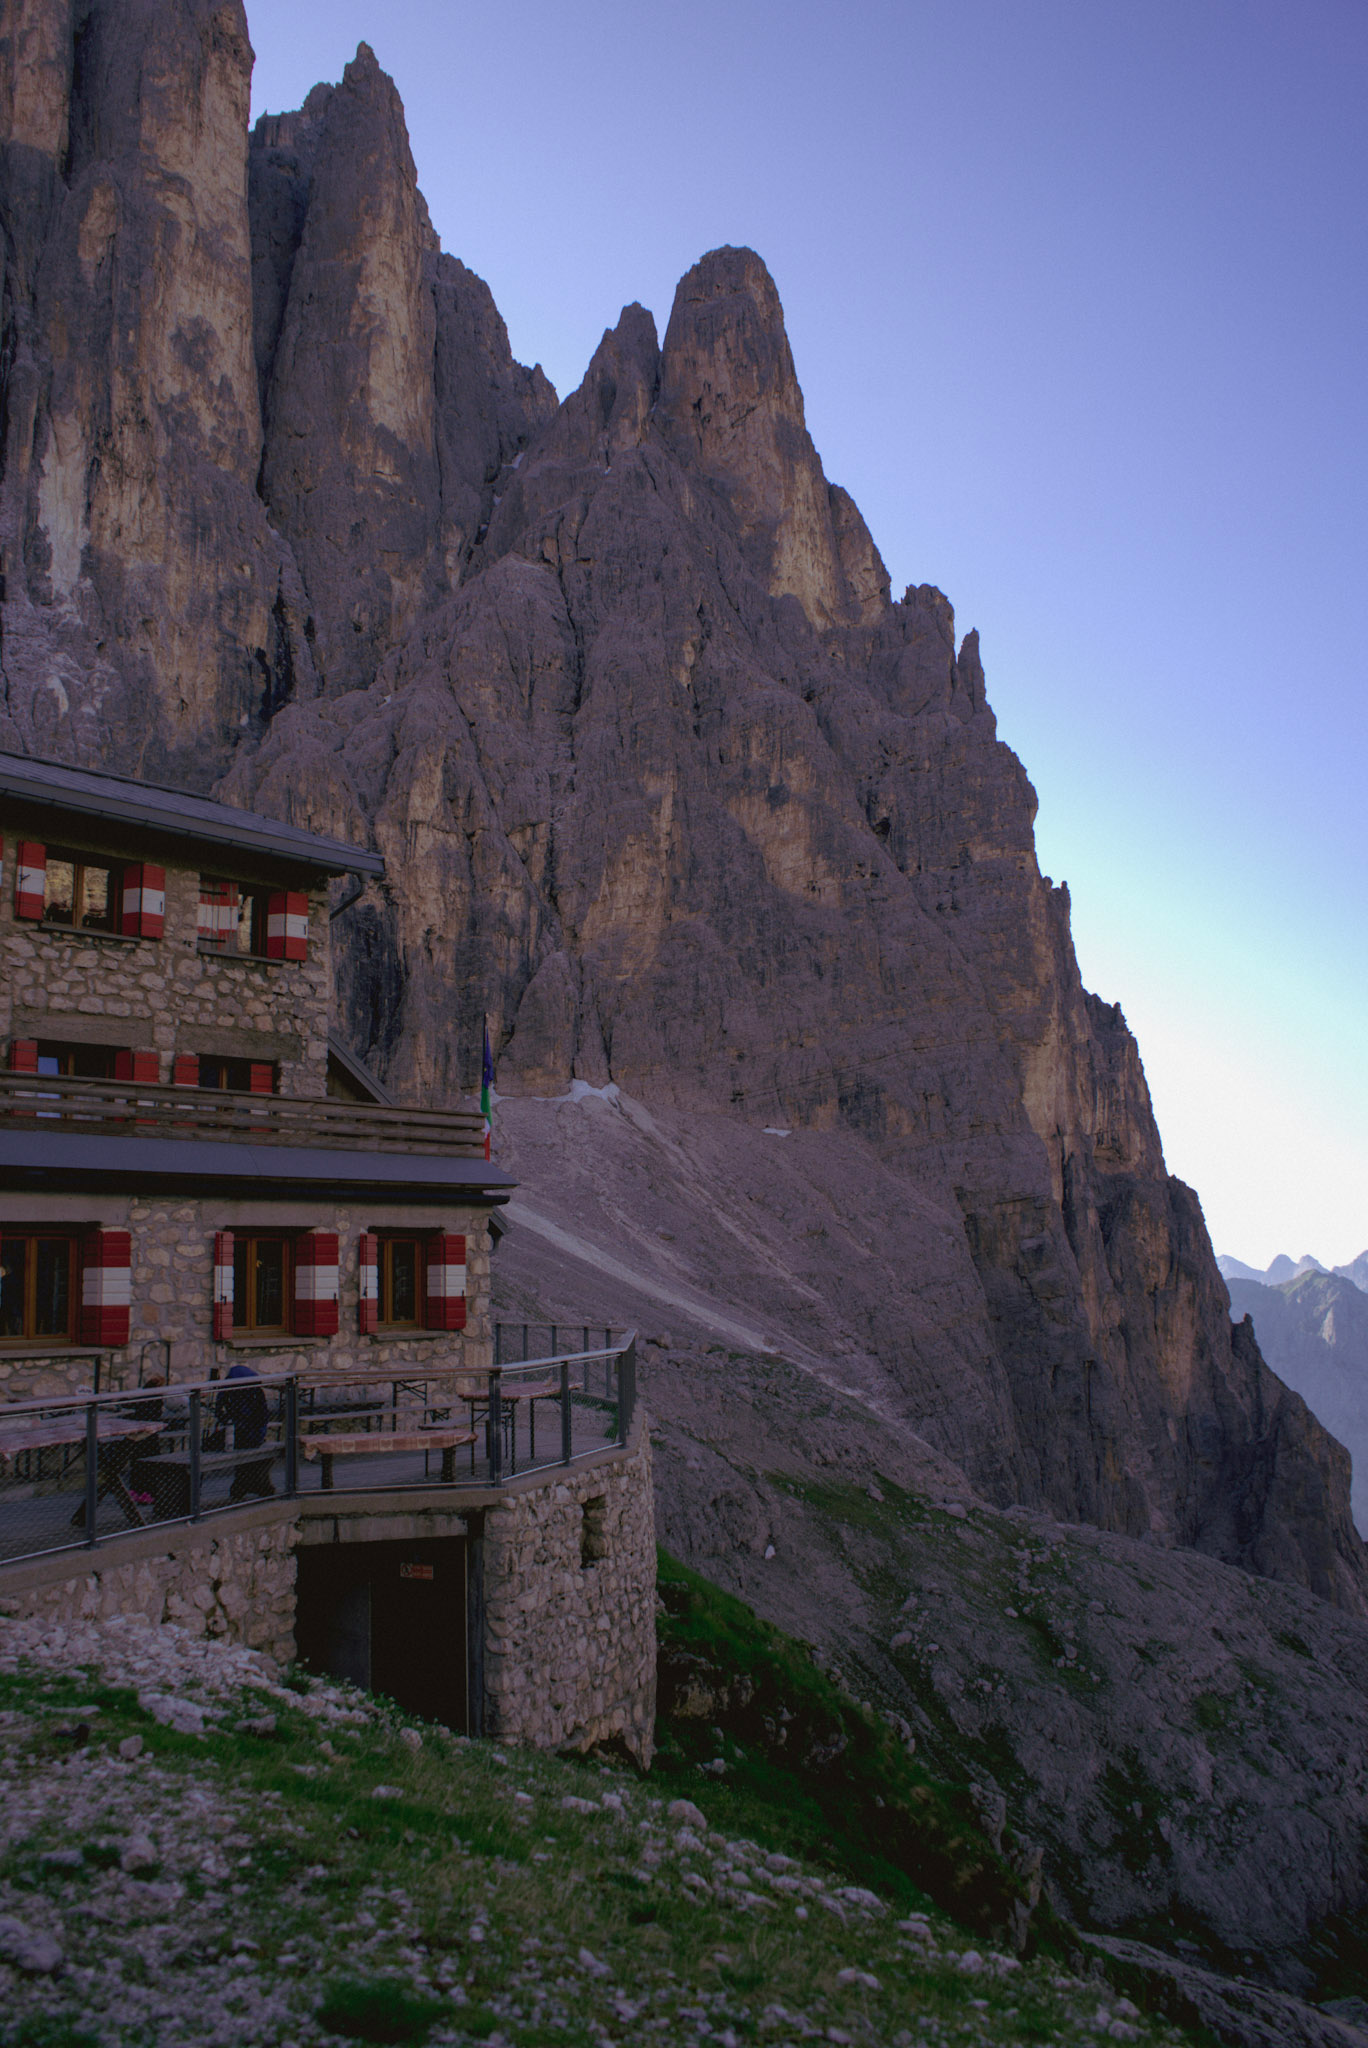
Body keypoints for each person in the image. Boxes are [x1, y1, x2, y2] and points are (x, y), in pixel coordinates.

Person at [215, 1362, 276, 1500]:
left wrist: (245, 1427)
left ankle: (247, 1484)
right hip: (240, 1433)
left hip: (251, 1434)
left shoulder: (251, 1392)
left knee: (248, 1449)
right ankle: (248, 1484)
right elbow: (220, 1411)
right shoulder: (242, 1391)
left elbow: (262, 1417)